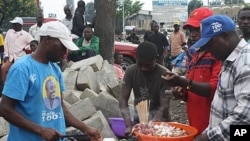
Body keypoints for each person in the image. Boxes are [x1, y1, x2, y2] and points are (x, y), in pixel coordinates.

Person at [0, 21, 101, 141]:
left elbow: (60, 108)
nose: (64, 54)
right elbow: (5, 109)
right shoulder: (22, 69)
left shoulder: (55, 69)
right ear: (47, 40)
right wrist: (41, 131)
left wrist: (86, 128)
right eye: (62, 47)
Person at [188, 15, 250, 141]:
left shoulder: (245, 62)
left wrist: (207, 137)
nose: (209, 51)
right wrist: (209, 132)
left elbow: (244, 117)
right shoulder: (229, 59)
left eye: (211, 45)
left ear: (225, 37)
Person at [161, 7, 222, 134]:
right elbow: (192, 89)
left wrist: (183, 83)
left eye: (197, 29)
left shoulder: (218, 55)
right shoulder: (195, 56)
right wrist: (182, 93)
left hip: (213, 129)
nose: (193, 34)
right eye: (191, 30)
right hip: (195, 126)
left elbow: (213, 90)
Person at [119, 42, 172, 137]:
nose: (143, 68)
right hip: (139, 120)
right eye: (140, 64)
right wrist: (128, 125)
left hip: (161, 123)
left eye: (148, 65)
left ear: (156, 59)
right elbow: (123, 99)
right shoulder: (131, 71)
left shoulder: (165, 74)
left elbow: (164, 106)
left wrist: (151, 126)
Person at [2, 17, 33, 83]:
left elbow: (33, 43)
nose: (13, 25)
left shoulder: (26, 34)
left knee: (20, 73)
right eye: (13, 24)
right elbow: (6, 44)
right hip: (10, 57)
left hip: (20, 58)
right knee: (3, 69)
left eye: (15, 24)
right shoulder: (9, 32)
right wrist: (6, 55)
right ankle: (5, 86)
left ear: (20, 25)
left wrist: (26, 48)